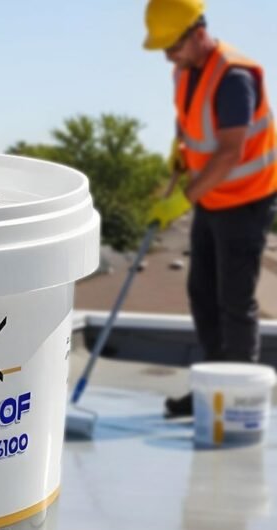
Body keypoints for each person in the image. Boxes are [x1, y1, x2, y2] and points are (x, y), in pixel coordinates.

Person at [145, 0, 277, 418]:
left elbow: (230, 152)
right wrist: (179, 148)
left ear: (198, 33)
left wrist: (182, 199)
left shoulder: (234, 77)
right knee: (201, 292)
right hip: (212, 198)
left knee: (234, 300)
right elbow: (189, 119)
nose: (168, 56)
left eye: (173, 46)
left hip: (246, 199)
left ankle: (236, 403)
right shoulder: (185, 70)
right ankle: (211, 392)